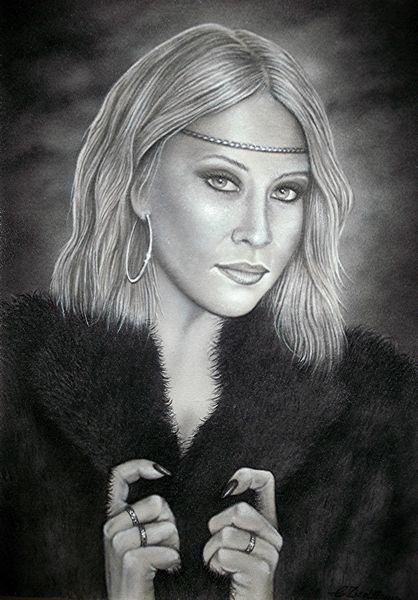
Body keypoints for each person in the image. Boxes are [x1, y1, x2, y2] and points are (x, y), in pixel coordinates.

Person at [0, 23, 416, 600]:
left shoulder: (381, 414)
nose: (258, 231)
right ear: (139, 182)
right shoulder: (13, 381)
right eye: (222, 180)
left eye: (287, 192)